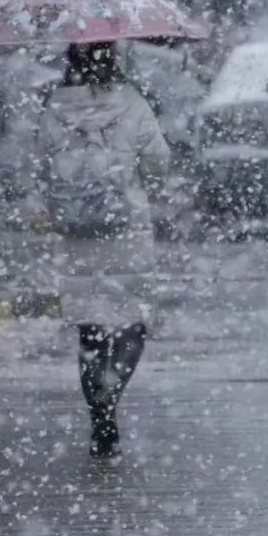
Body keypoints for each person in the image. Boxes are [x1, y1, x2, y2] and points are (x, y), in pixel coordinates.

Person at [34, 41, 169, 457]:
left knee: (90, 329)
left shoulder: (54, 108)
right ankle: (112, 396)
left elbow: (40, 167)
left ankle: (99, 416)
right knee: (132, 324)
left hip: (77, 236)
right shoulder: (132, 104)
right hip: (125, 233)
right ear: (113, 61)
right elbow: (159, 161)